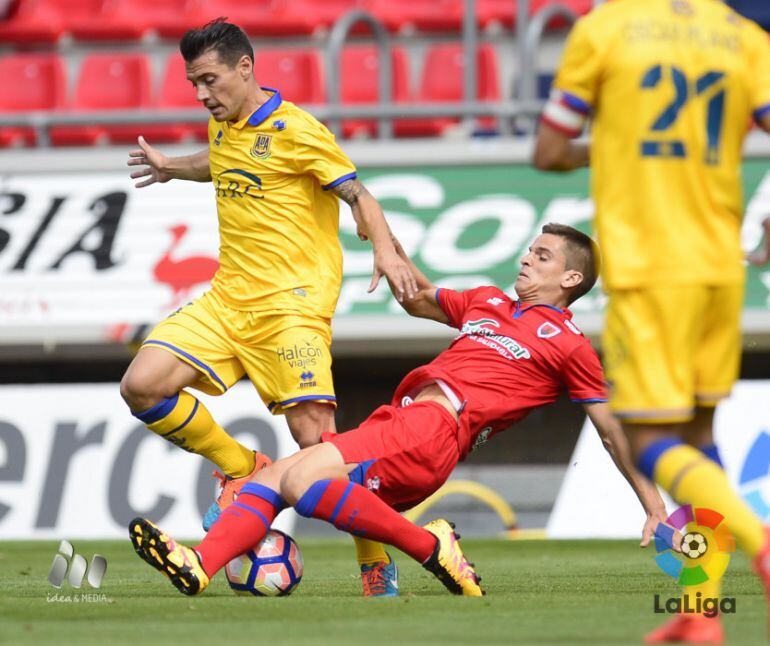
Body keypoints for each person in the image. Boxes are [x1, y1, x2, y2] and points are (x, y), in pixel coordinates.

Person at [127, 223, 672, 598]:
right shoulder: (487, 302)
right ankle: (199, 567)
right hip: (404, 423)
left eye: (543, 255)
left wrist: (652, 505)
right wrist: (386, 247)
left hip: (438, 428)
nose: (527, 258)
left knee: (297, 477)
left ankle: (424, 546)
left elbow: (608, 430)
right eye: (530, 250)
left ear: (570, 280)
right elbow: (418, 299)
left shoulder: (570, 344)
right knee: (279, 480)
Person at [119, 18, 417, 597]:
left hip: (292, 309)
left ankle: (375, 561)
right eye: (193, 84)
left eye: (210, 80)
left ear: (244, 68)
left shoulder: (297, 130)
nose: (203, 95)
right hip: (229, 300)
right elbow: (220, 163)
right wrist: (169, 169)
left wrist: (384, 247)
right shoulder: (223, 125)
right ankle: (242, 467)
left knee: (319, 449)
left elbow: (359, 193)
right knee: (142, 385)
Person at [533, 0, 770, 641]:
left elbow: (549, 150)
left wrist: (612, 149)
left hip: (651, 268)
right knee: (700, 442)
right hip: (722, 267)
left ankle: (762, 545)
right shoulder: (743, 36)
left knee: (644, 441)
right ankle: (701, 611)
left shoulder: (605, 30)